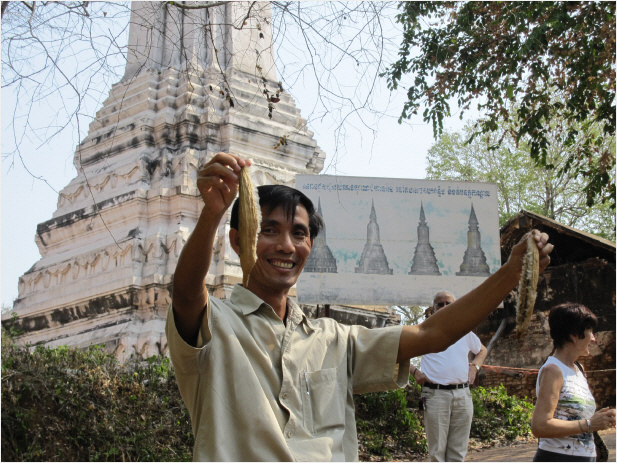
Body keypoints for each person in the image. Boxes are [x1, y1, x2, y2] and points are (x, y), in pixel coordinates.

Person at [167, 152, 553, 461]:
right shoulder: (214, 326)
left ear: (310, 247)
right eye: (269, 230)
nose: (286, 245)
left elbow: (432, 333)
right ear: (238, 240)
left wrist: (510, 273)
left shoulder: (334, 339)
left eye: (299, 233)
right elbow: (185, 293)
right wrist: (212, 213)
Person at [531, 303, 616, 462]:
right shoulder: (553, 371)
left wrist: (602, 418)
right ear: (574, 335)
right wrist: (589, 424)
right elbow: (540, 426)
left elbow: (575, 418)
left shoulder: (578, 369)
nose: (593, 338)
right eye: (590, 331)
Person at [410, 290, 488, 462]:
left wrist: (474, 367)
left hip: (462, 394)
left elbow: (482, 350)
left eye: (448, 304)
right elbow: (400, 353)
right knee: (437, 452)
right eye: (440, 304)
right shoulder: (423, 330)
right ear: (433, 308)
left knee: (458, 453)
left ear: (455, 306)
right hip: (435, 394)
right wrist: (415, 372)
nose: (444, 307)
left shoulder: (463, 331)